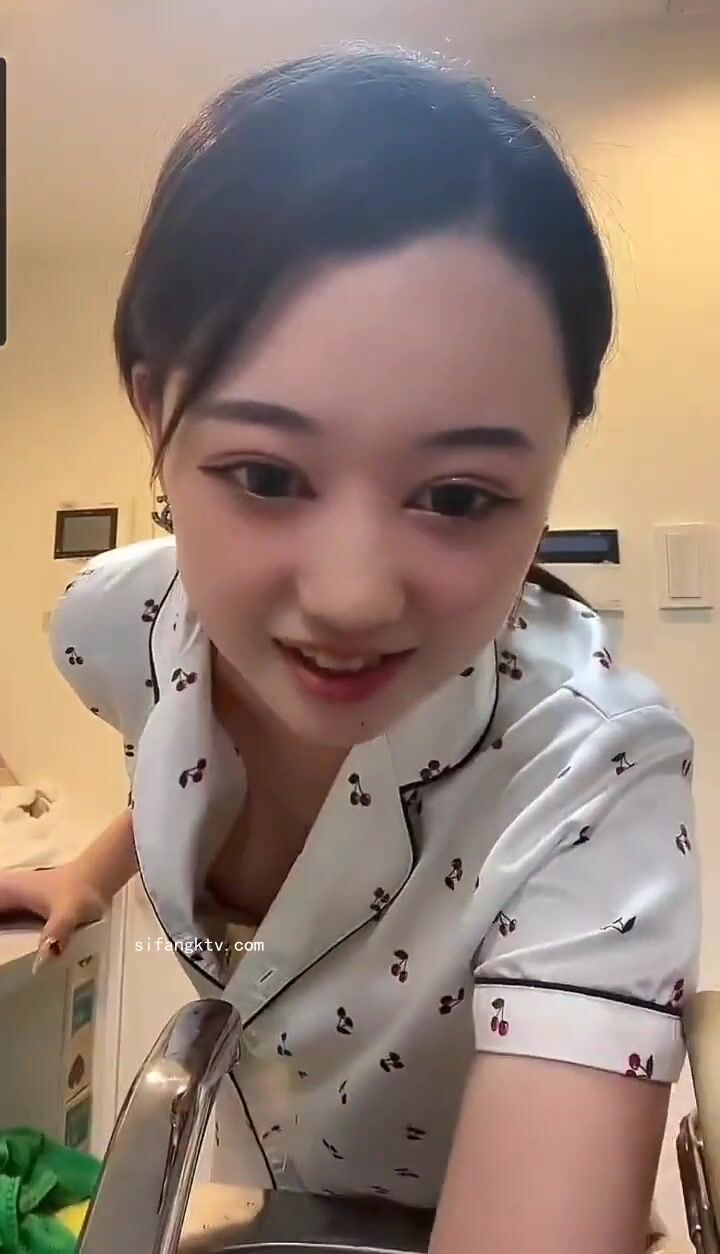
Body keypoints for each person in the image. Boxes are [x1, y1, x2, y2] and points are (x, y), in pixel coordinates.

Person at [0, 49, 699, 1253]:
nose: (350, 597)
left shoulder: (597, 775)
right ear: (154, 411)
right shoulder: (116, 621)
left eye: (459, 496)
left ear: (554, 461)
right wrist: (94, 876)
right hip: (271, 1188)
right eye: (268, 476)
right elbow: (175, 735)